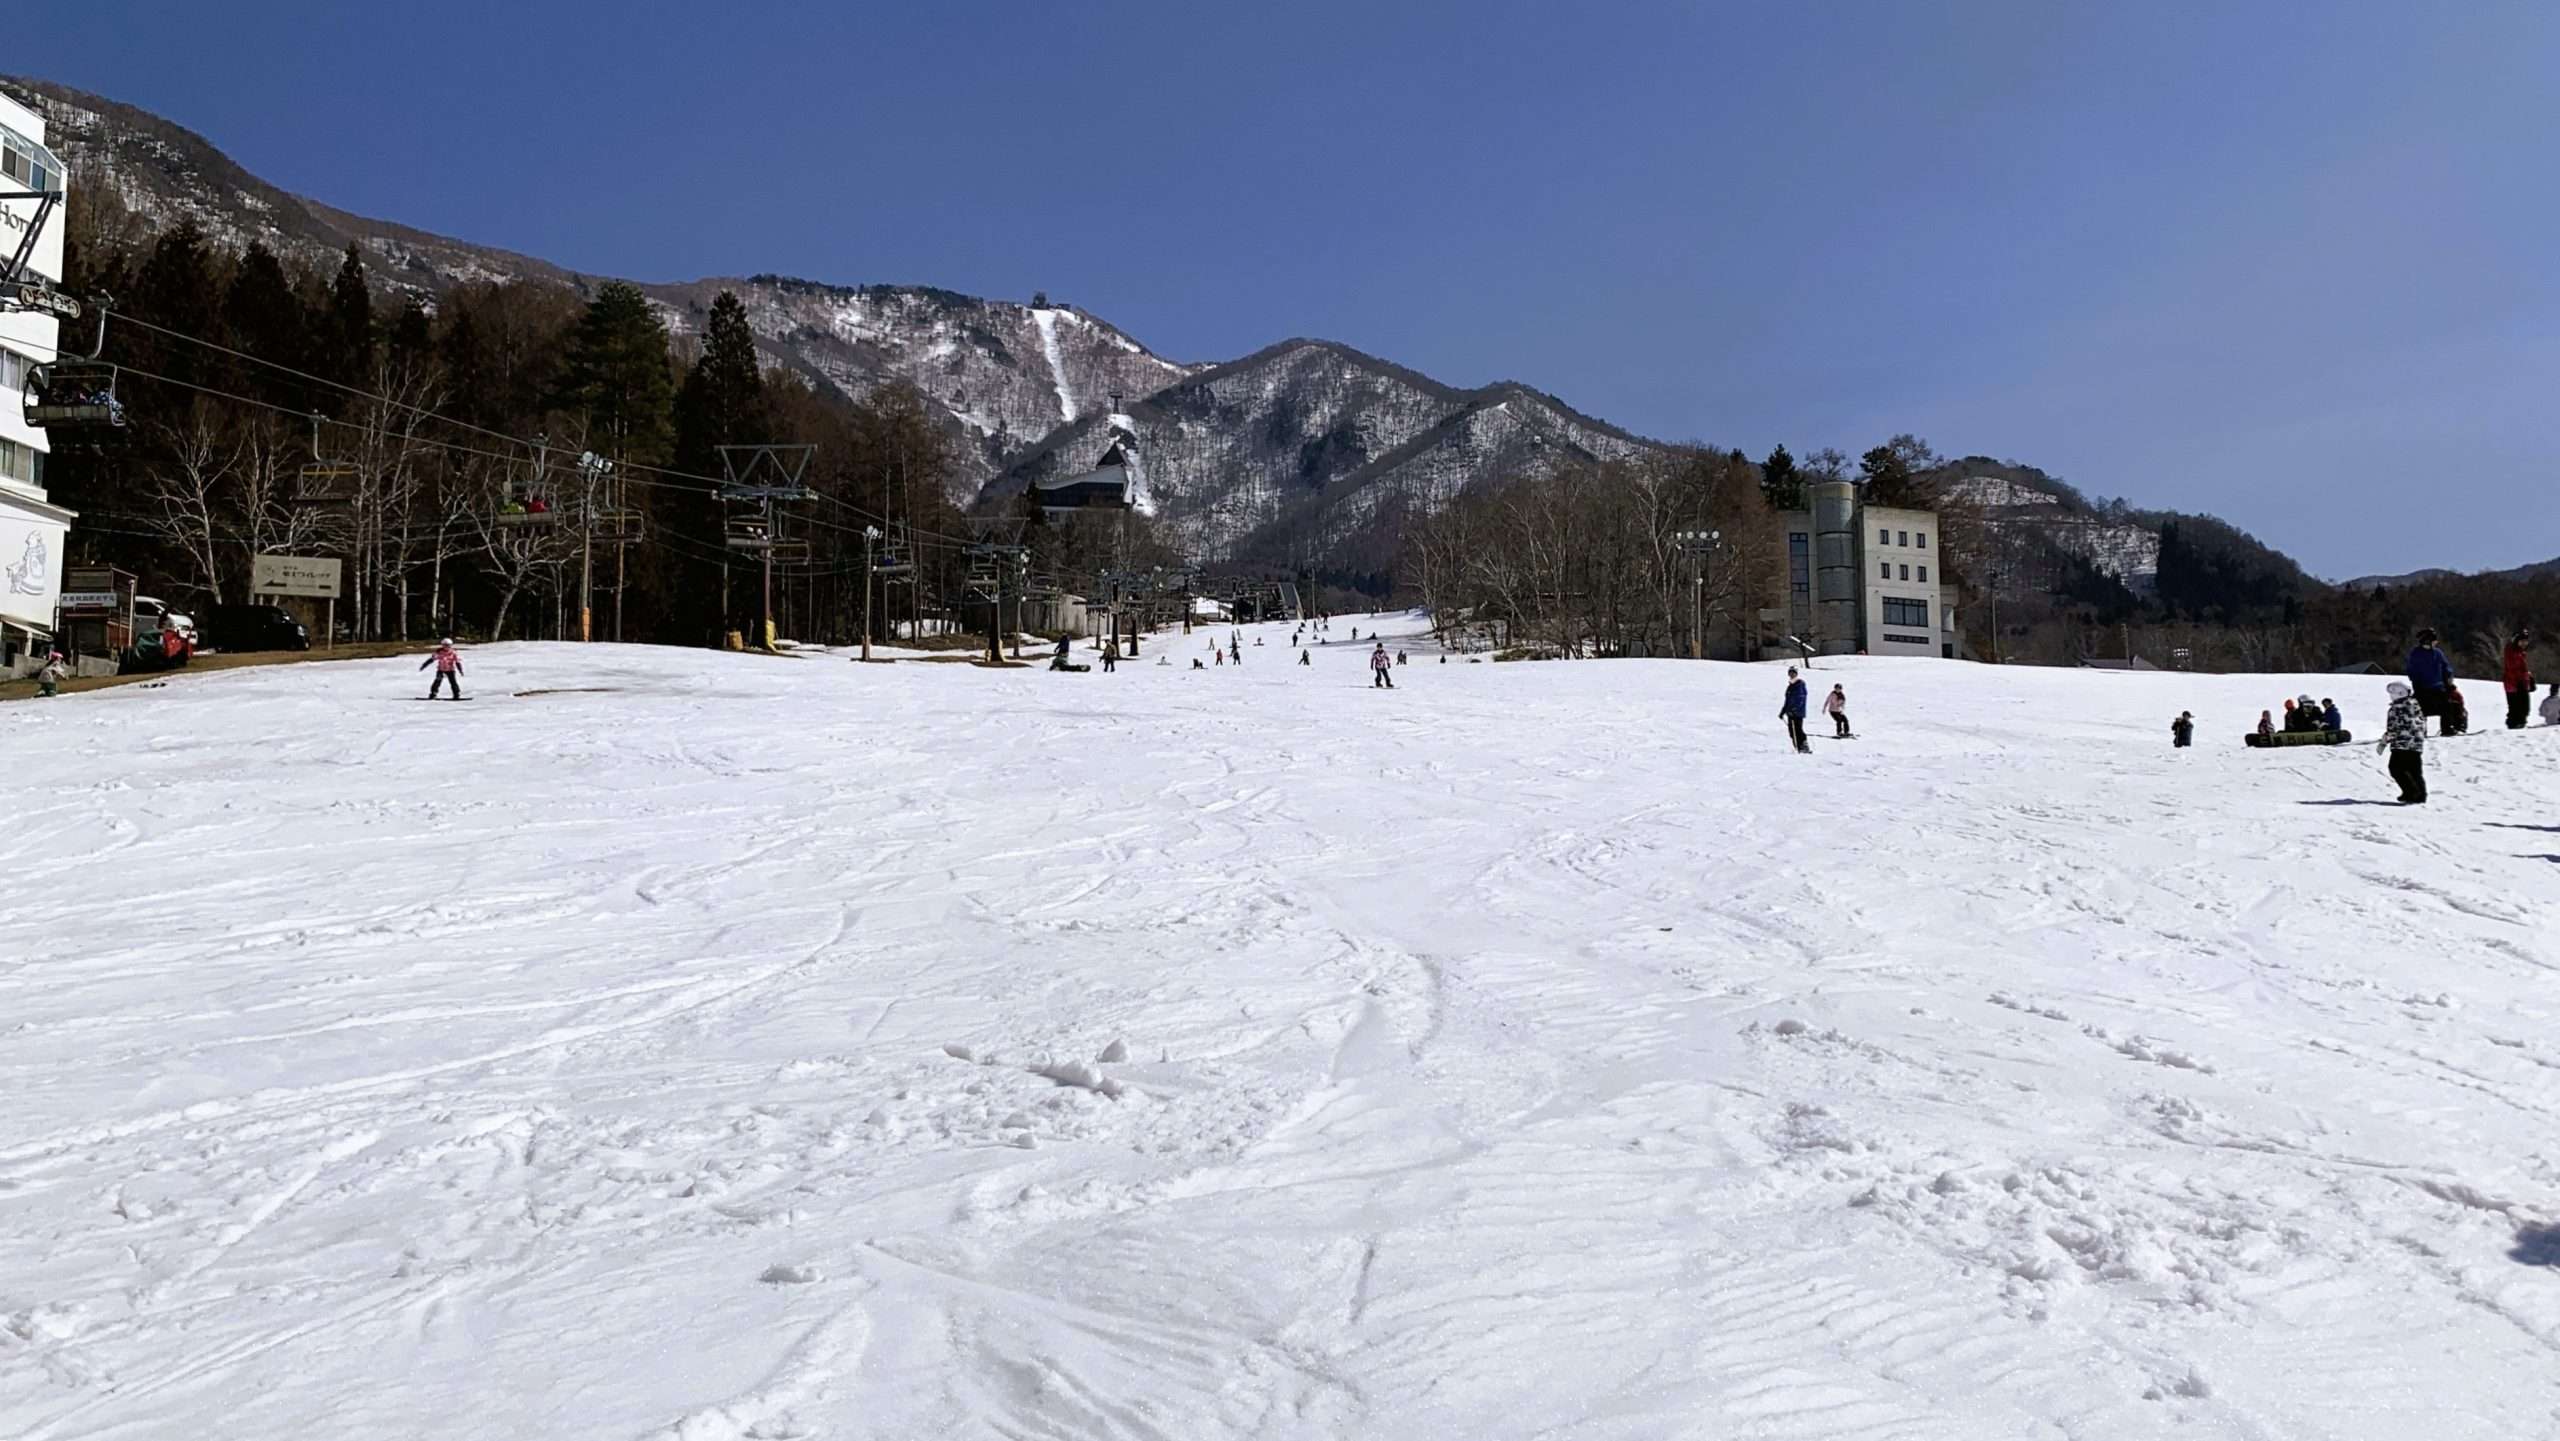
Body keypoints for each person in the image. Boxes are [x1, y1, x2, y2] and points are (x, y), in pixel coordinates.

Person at [2380, 681, 2427, 804]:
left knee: (2396, 768)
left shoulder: (2399, 708)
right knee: (2414, 770)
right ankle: (2419, 794)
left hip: (2403, 743)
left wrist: (2388, 737)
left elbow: (2399, 726)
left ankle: (2412, 792)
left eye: (2393, 691)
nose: (2391, 694)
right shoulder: (2414, 705)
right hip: (2415, 743)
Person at [2405, 628, 2454, 729]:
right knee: (2420, 710)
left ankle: (2447, 729)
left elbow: (2446, 667)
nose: (2435, 643)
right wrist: (2417, 684)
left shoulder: (2438, 653)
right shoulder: (2416, 654)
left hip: (2438, 688)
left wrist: (2448, 677)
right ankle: (2421, 730)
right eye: (2433, 641)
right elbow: (2412, 671)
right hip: (2422, 689)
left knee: (2448, 706)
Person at [2502, 630, 2534, 730]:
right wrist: (2524, 678)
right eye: (2522, 641)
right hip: (2514, 684)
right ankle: (2515, 725)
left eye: (2526, 641)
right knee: (2517, 708)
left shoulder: (2519, 652)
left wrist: (2528, 677)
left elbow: (2522, 669)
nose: (2524, 643)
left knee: (2523, 708)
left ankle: (2518, 724)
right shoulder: (2513, 652)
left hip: (2519, 683)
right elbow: (2513, 670)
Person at [1781, 667, 1811, 753]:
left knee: (1798, 729)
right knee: (1791, 731)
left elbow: (1801, 698)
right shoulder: (1790, 686)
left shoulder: (1800, 684)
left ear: (1796, 674)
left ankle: (1804, 746)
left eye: (1793, 673)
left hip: (1798, 712)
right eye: (1790, 673)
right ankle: (1798, 747)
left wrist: (1794, 709)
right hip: (1790, 712)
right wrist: (1783, 711)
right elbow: (1787, 700)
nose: (1791, 675)